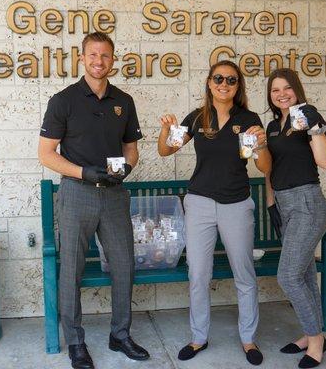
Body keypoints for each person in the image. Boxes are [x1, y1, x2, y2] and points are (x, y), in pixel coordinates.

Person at [38, 32, 149, 369]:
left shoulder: (124, 101)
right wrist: (84, 173)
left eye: (105, 56)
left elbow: (131, 147)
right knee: (71, 270)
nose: (99, 62)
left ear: (113, 60)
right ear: (82, 58)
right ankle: (75, 341)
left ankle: (120, 335)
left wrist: (127, 167)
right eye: (93, 55)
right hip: (77, 194)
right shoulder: (63, 100)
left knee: (124, 266)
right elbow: (46, 154)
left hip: (114, 196)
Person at [157, 60, 271, 365]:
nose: (224, 84)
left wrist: (260, 145)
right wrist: (166, 130)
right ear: (209, 83)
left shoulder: (248, 119)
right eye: (218, 78)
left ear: (238, 86)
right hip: (199, 204)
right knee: (198, 274)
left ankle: (248, 339)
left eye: (231, 80)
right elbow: (166, 150)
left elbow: (263, 166)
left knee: (244, 274)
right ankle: (199, 338)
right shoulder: (197, 118)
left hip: (236, 203)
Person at [264, 68, 326, 369]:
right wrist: (272, 207)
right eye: (275, 89)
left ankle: (316, 340)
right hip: (284, 204)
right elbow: (270, 170)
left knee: (288, 276)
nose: (282, 94)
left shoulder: (307, 115)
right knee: (304, 275)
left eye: (287, 88)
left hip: (308, 202)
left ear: (297, 90)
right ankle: (311, 334)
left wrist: (315, 128)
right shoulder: (271, 126)